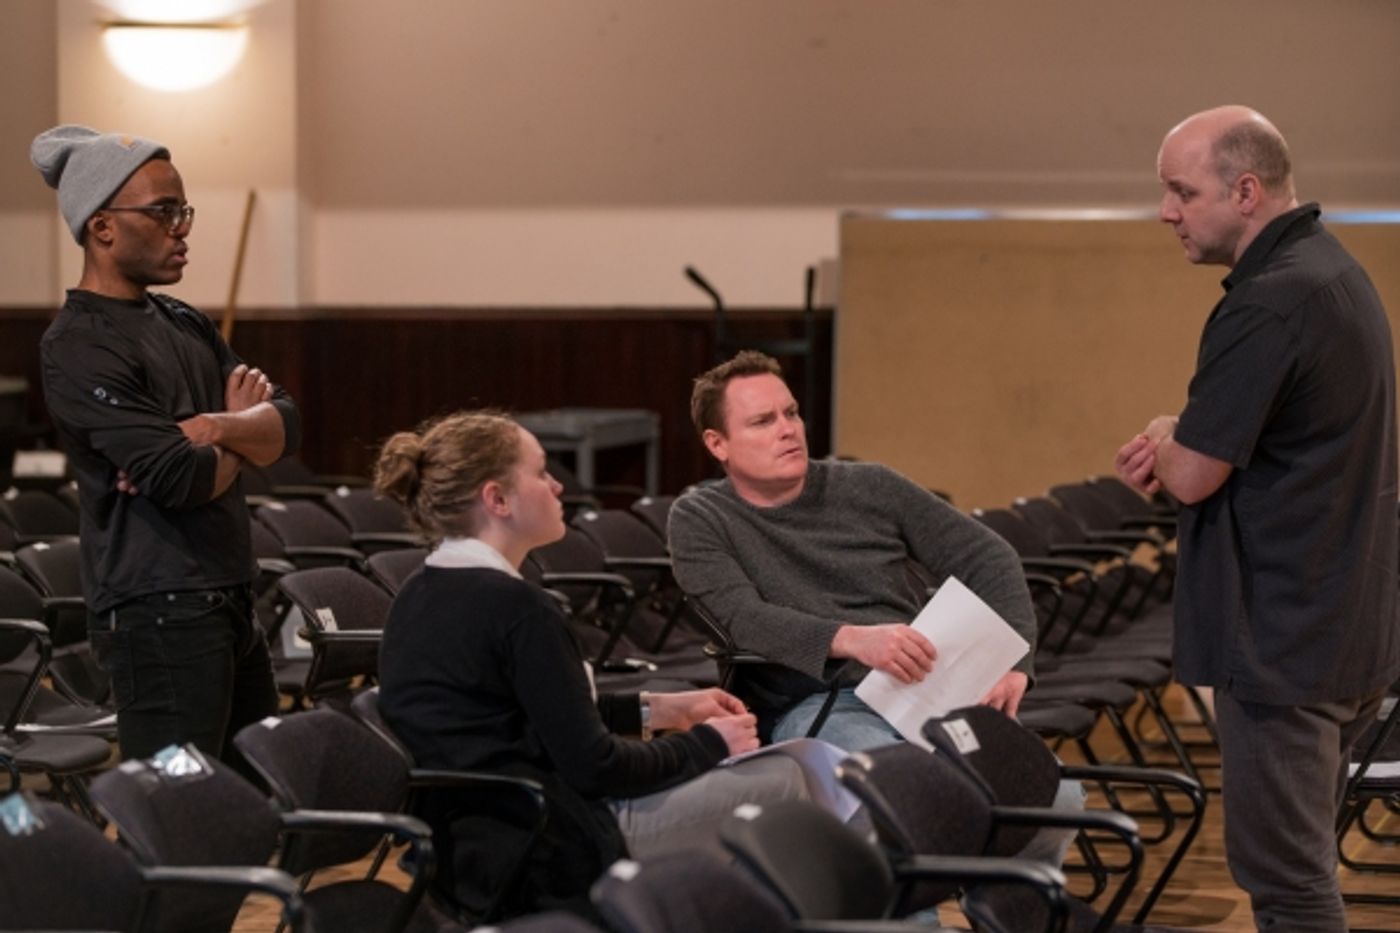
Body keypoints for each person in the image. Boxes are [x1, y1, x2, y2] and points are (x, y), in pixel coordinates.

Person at [1115, 105, 1400, 932]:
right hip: (1335, 626)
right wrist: (1187, 437)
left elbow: (1197, 475)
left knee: (1288, 884)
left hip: (1283, 643)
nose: (1167, 211)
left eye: (1180, 191)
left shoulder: (1270, 301)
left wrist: (1171, 436)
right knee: (1300, 868)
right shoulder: (1331, 270)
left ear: (1246, 190)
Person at [374, 411, 822, 920]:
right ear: (497, 500)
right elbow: (598, 768)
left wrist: (658, 711)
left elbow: (529, 718)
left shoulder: (419, 591)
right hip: (541, 844)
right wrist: (709, 743)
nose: (558, 486)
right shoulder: (517, 609)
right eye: (541, 472)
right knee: (786, 778)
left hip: (476, 840)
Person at [31, 125, 301, 765]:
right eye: (163, 212)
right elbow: (181, 480)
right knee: (178, 807)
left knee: (251, 794)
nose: (182, 228)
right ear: (102, 228)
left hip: (232, 591)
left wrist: (215, 429)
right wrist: (239, 432)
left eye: (183, 210)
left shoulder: (183, 321)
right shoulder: (78, 344)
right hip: (157, 611)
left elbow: (286, 425)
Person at [669, 350, 1036, 749]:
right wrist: (852, 640)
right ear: (717, 444)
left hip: (925, 689)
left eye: (791, 414)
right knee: (912, 785)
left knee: (1058, 800)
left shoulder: (871, 485)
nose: (787, 429)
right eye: (763, 421)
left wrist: (1015, 663)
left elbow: (989, 558)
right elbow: (743, 618)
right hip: (814, 702)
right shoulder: (700, 517)